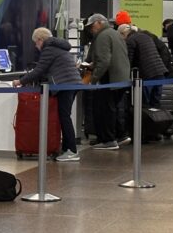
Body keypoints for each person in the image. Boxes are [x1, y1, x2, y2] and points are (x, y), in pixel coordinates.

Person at [15, 27, 82, 162]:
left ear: (41, 39)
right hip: (73, 83)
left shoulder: (49, 48)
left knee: (64, 117)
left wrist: (20, 81)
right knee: (65, 116)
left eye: (36, 42)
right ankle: (67, 148)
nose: (36, 45)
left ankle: (72, 151)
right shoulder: (59, 46)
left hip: (64, 85)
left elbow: (39, 70)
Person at [84, 13, 130, 150]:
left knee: (104, 109)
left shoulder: (102, 36)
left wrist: (93, 78)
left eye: (92, 26)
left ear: (99, 23)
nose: (91, 30)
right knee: (113, 108)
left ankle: (108, 140)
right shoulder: (115, 33)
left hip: (110, 79)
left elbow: (104, 61)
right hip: (122, 78)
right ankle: (118, 136)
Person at [119, 22, 168, 107]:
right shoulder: (145, 36)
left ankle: (144, 119)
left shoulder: (130, 40)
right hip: (160, 71)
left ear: (123, 34)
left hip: (148, 73)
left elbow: (128, 60)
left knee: (145, 102)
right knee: (156, 102)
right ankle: (156, 119)